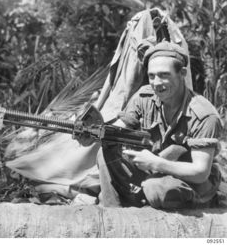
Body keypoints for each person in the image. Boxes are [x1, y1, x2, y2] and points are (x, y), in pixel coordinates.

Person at [80, 41, 222, 209]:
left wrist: (155, 163)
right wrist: (95, 133)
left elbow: (200, 173)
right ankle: (113, 212)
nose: (156, 82)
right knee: (106, 153)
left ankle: (151, 201)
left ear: (182, 73)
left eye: (164, 75)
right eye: (152, 75)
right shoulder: (144, 97)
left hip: (191, 181)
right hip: (156, 168)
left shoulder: (204, 114)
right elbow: (119, 129)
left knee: (156, 189)